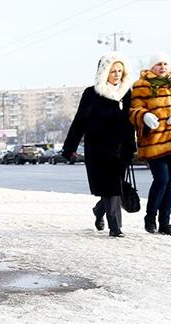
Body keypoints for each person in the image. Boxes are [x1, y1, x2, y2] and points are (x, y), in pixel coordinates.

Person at [62, 52, 136, 237]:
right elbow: (79, 121)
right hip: (98, 150)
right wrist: (69, 148)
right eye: (113, 71)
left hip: (121, 150)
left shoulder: (126, 93)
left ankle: (98, 210)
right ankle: (115, 227)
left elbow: (131, 122)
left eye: (120, 70)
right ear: (104, 72)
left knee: (114, 187)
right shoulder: (91, 94)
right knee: (110, 186)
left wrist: (132, 146)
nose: (117, 74)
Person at [129, 52, 171, 235]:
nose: (162, 66)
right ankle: (150, 217)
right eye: (158, 64)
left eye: (165, 63)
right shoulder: (141, 85)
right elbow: (133, 110)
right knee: (162, 179)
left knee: (170, 182)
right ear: (151, 67)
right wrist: (144, 116)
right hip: (154, 141)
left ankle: (165, 223)